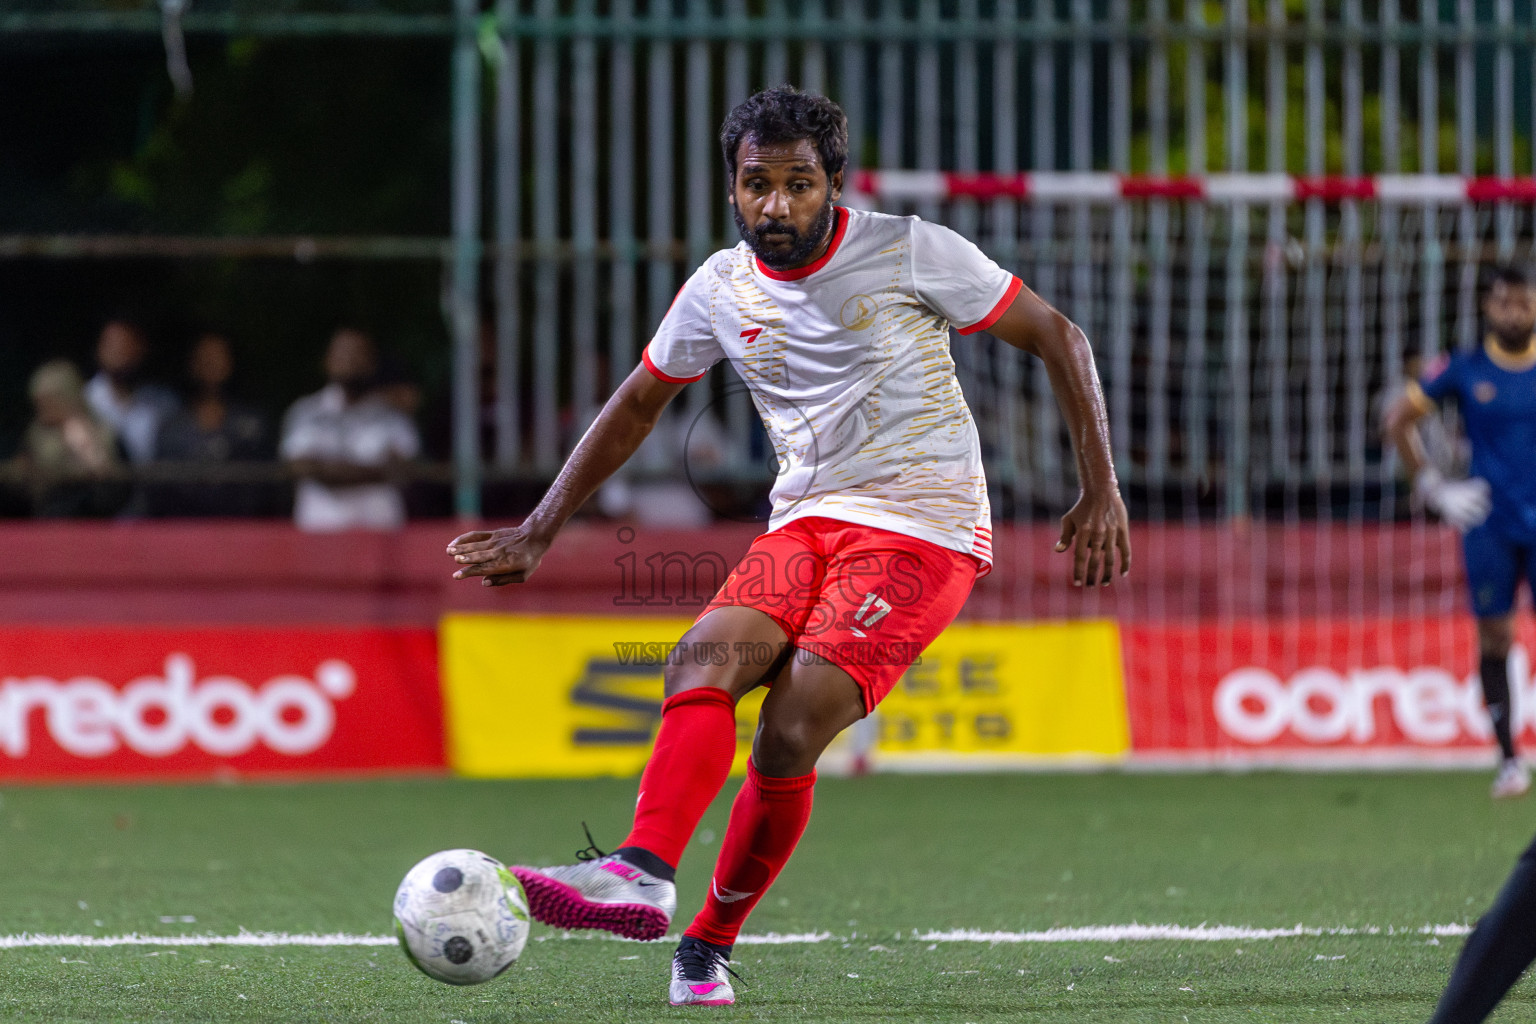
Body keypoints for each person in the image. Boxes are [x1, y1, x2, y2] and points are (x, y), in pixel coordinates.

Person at [446, 87, 1131, 1007]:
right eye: (756, 184)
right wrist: (539, 528)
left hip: (923, 528)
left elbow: (1059, 335)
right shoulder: (720, 287)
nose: (776, 205)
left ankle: (708, 942)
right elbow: (641, 399)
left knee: (792, 725)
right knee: (701, 658)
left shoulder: (909, 249)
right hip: (804, 520)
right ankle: (643, 871)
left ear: (833, 184)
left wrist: (1101, 487)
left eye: (798, 184)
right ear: (732, 188)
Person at [1385, 265, 1536, 800]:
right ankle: (1509, 761)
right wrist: (1432, 486)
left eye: (1523, 302)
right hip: (1489, 521)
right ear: (1486, 308)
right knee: (1496, 635)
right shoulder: (1464, 368)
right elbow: (1396, 419)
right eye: (1504, 303)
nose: (1514, 312)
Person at [280, 327, 421, 532]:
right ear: (327, 360)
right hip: (319, 534)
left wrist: (327, 470)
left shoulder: (392, 415)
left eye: (359, 354)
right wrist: (373, 471)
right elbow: (299, 466)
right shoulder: (305, 411)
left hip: (380, 535)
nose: (351, 361)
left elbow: (402, 468)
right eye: (343, 353)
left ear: (373, 363)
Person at [152, 332, 273, 516]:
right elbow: (161, 490)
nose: (212, 363)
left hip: (243, 529)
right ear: (193, 364)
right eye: (205, 357)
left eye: (218, 356)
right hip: (186, 529)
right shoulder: (173, 426)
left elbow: (267, 487)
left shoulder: (253, 423)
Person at [10, 359, 125, 517]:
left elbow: (115, 490)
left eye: (47, 401)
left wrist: (90, 452)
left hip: (93, 522)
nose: (41, 408)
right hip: (45, 522)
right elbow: (22, 489)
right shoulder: (35, 437)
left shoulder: (104, 433)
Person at [83, 318, 180, 465]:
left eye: (125, 345)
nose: (118, 352)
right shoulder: (85, 399)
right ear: (98, 349)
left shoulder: (163, 403)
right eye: (111, 345)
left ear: (141, 349)